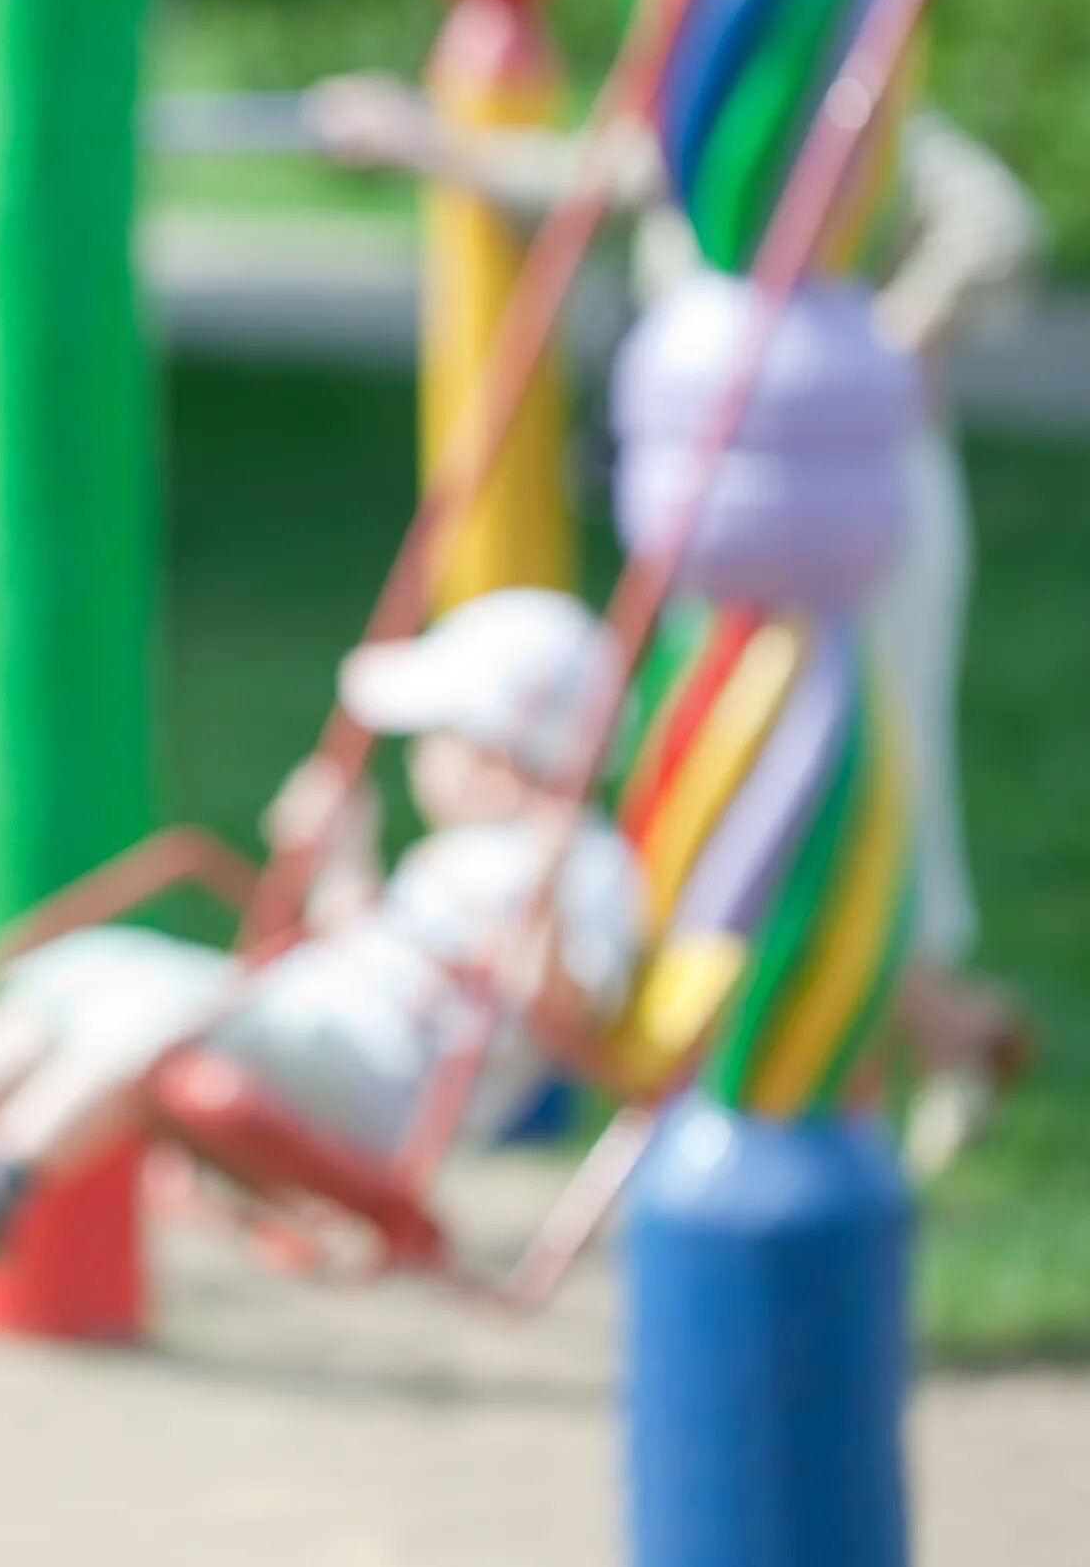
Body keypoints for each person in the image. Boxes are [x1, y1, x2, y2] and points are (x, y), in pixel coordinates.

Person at [304, 71, 1042, 1172]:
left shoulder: (842, 91)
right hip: (723, 490)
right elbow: (587, 180)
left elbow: (995, 224)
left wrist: (884, 344)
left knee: (846, 768)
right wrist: (429, 143)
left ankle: (885, 1049)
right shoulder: (714, 102)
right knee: (735, 777)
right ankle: (946, 1029)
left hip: (839, 488)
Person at [0, 589, 643, 1249]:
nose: (422, 763)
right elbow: (365, 942)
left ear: (498, 753)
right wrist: (344, 856)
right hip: (328, 1029)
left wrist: (553, 901)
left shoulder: (586, 869)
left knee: (159, 1007)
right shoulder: (461, 854)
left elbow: (561, 1018)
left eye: (436, 742)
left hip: (387, 1089)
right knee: (94, 963)